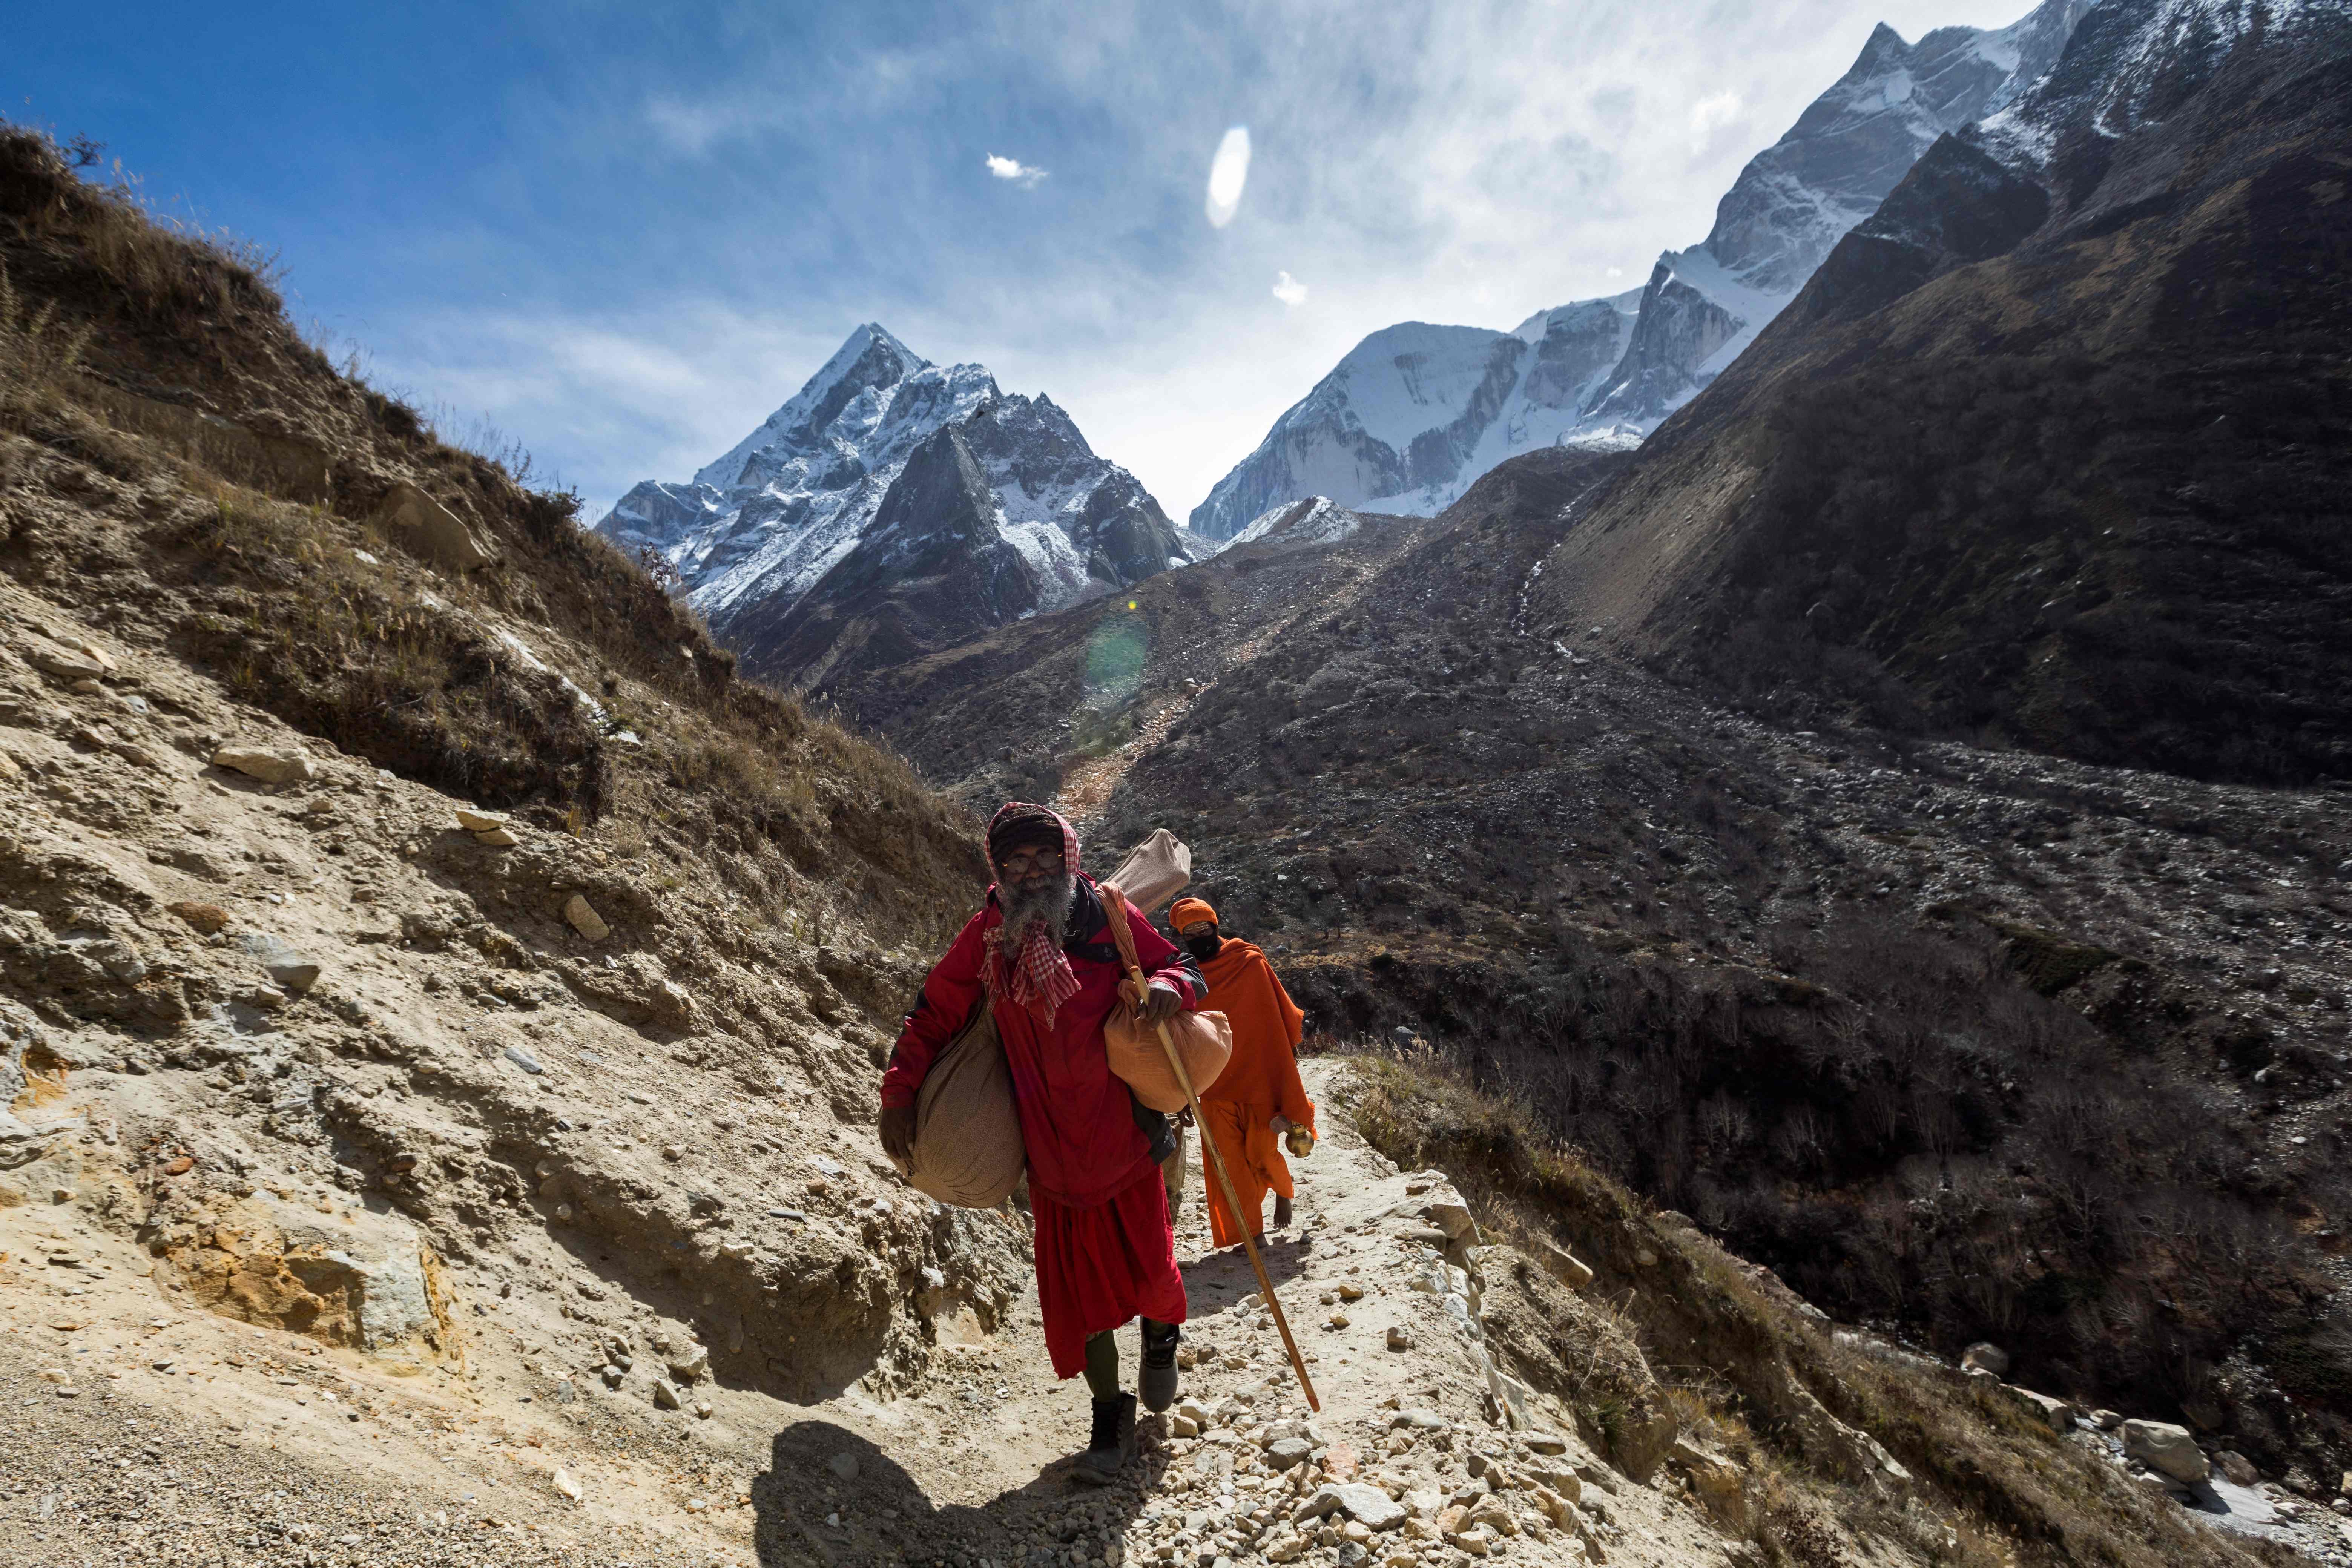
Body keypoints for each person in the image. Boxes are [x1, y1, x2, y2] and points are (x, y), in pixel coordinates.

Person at [880, 803, 1204, 1485]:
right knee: (1079, 1300)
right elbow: (933, 1010)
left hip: (1123, 1139)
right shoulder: (988, 933)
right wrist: (899, 1092)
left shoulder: (1107, 913)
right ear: (998, 870)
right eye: (1015, 862)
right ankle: (1106, 1420)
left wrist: (1171, 987)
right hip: (1050, 1157)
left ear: (1067, 857)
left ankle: (1160, 1336)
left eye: (1042, 858)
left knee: (1149, 1271)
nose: (1031, 873)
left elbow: (1178, 963)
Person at [1169, 896, 1316, 1249]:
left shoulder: (1248, 961)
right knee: (1230, 1166)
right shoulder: (1184, 974)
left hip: (1260, 1080)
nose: (1198, 936)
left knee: (1263, 1155)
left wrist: (1285, 1066)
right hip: (1215, 1084)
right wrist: (1181, 1092)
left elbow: (1281, 1013)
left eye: (1203, 928)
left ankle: (1283, 1191)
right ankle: (1252, 1234)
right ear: (1181, 936)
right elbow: (1181, 1034)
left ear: (1215, 926)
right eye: (1189, 932)